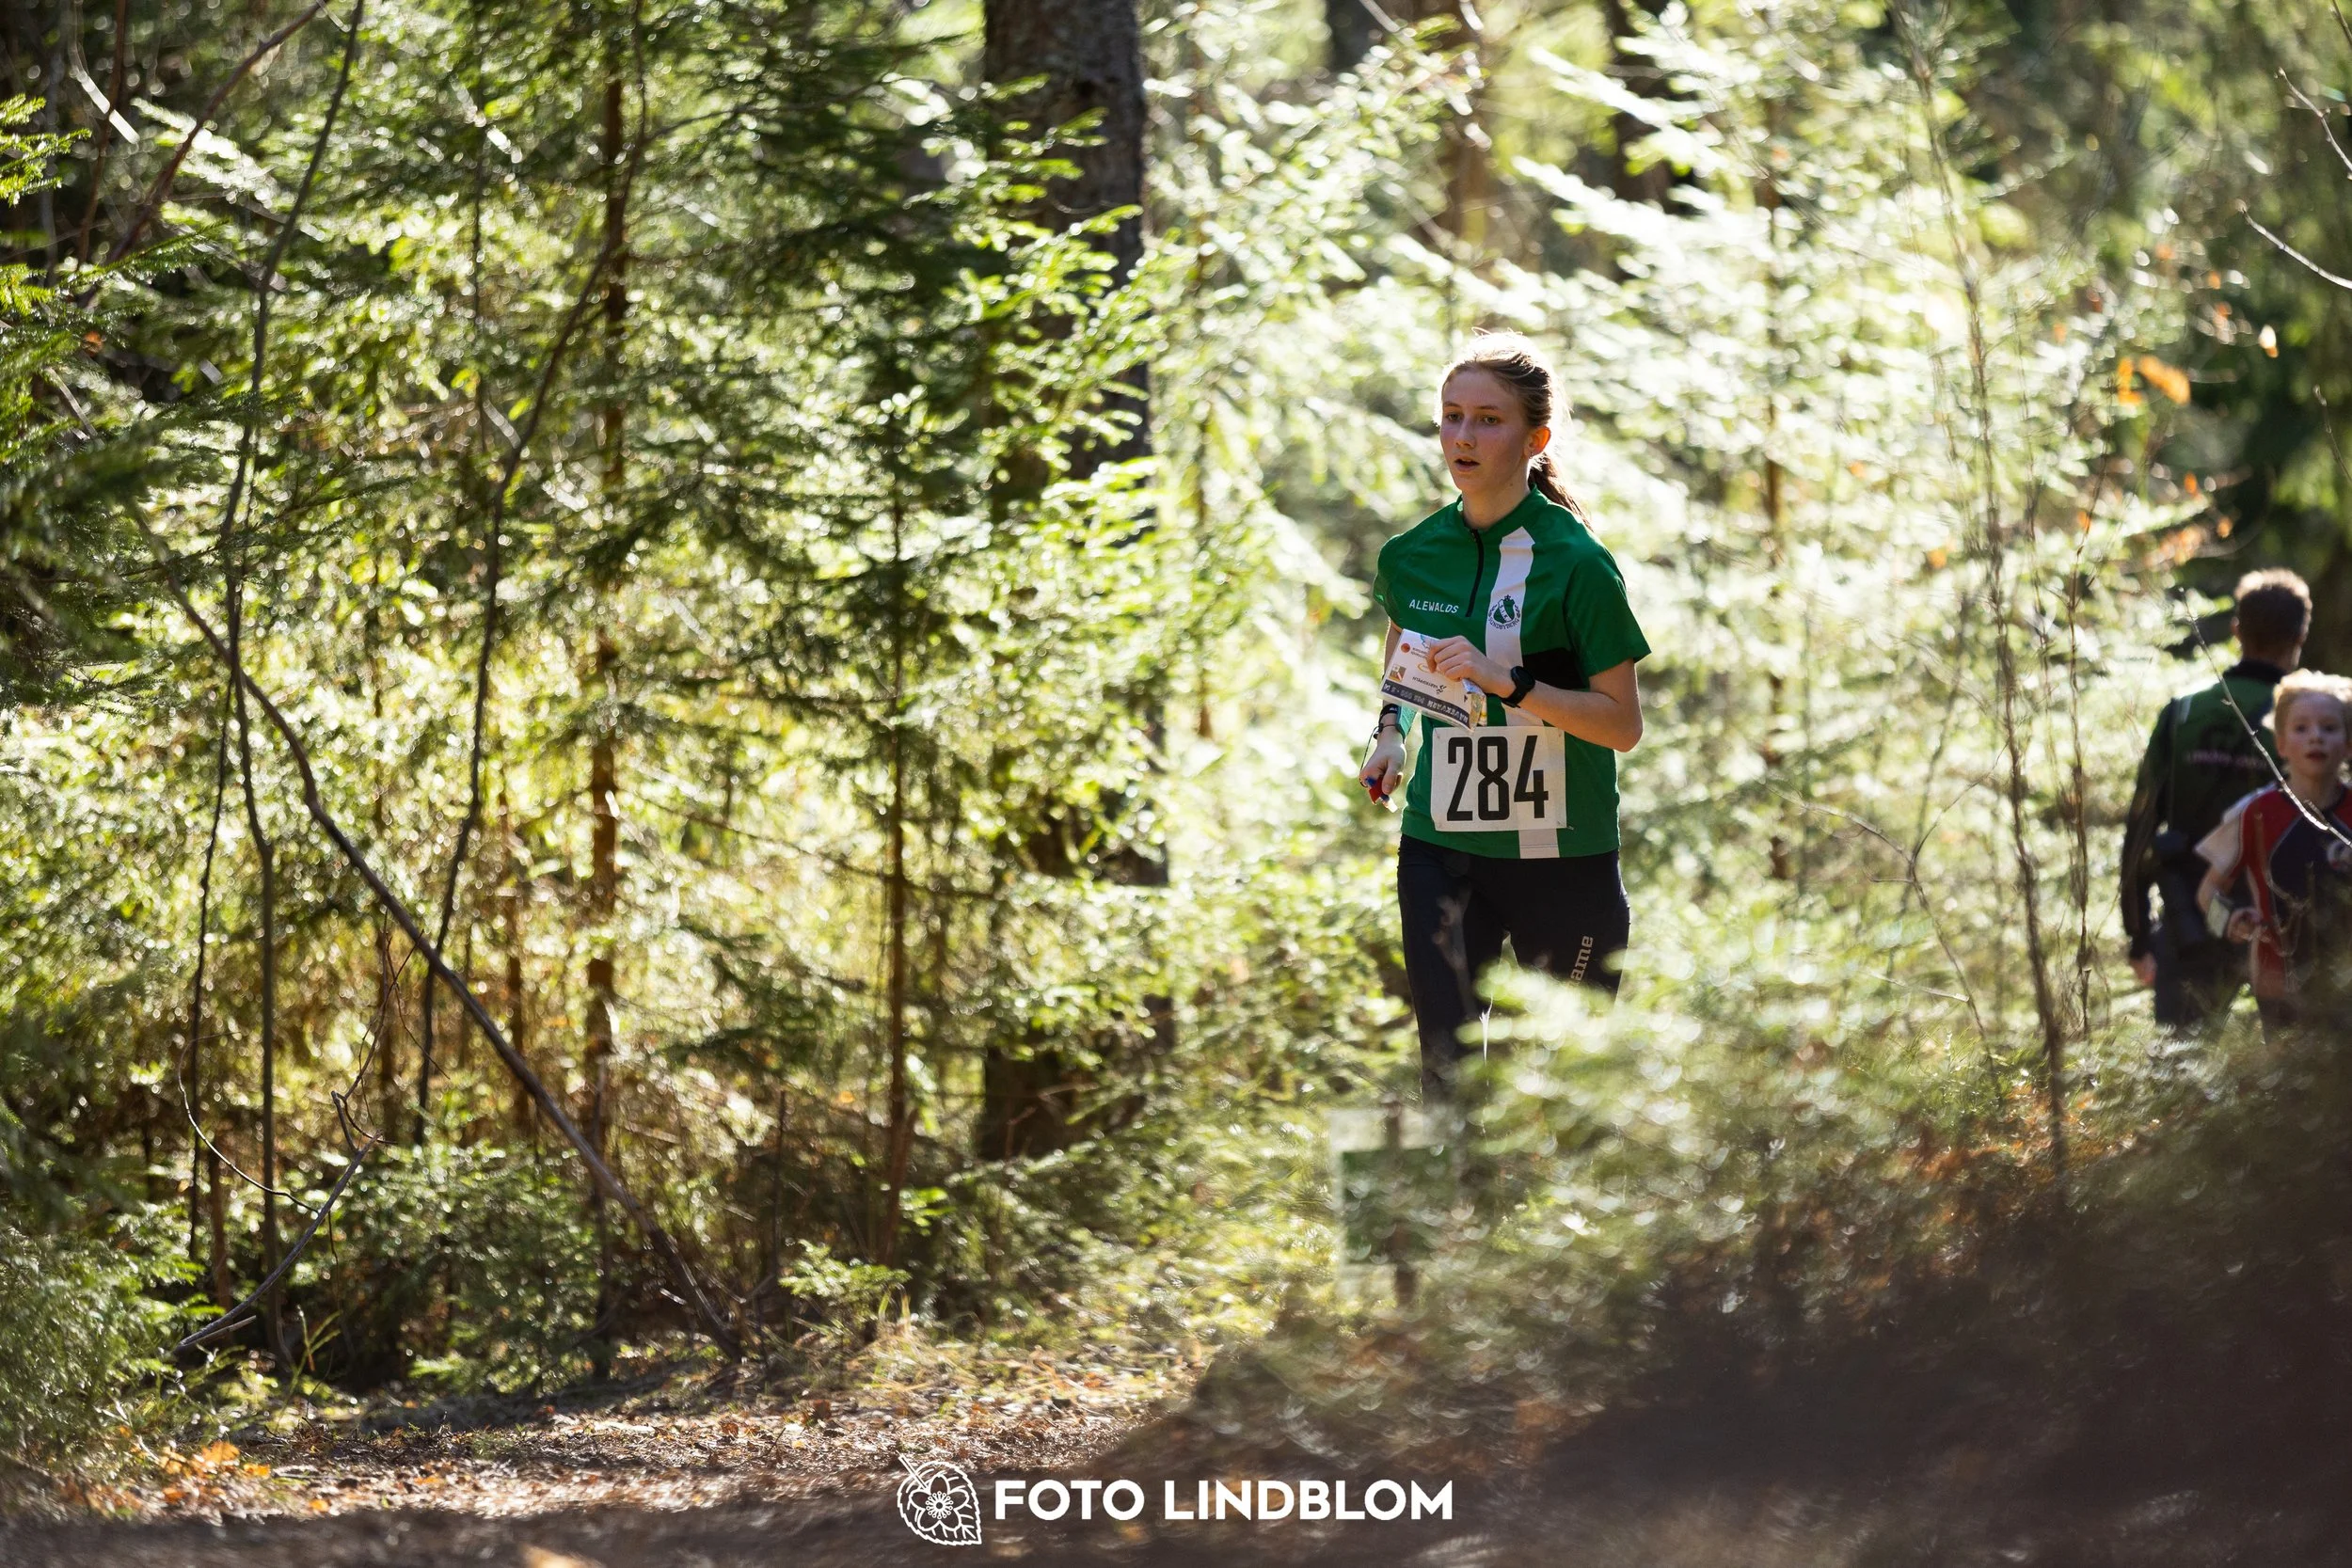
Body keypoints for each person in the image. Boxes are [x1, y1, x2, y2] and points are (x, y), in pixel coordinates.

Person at [1358, 332, 1649, 1101]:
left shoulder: (1578, 564)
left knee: (1563, 1087)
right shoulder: (1412, 555)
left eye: (1487, 419)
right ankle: (1458, 1224)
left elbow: (1621, 724)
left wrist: (1507, 682)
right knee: (1448, 1076)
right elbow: (1404, 659)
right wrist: (1389, 736)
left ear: (1535, 438)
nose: (1462, 436)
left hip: (1564, 860)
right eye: (1451, 416)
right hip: (1441, 852)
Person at [2121, 568, 2310, 1027]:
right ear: (2301, 635)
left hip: (2190, 917)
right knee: (2294, 1075)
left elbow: (2141, 826)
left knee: (2180, 1074)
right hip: (2289, 924)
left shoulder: (2182, 713)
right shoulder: (2311, 720)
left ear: (2237, 630)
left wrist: (2138, 933)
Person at [2198, 671, 2352, 1037]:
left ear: (2348, 744)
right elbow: (2207, 894)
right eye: (2301, 728)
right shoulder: (2256, 813)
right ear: (2280, 744)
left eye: (2329, 727)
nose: (2316, 736)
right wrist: (2230, 920)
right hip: (2278, 987)